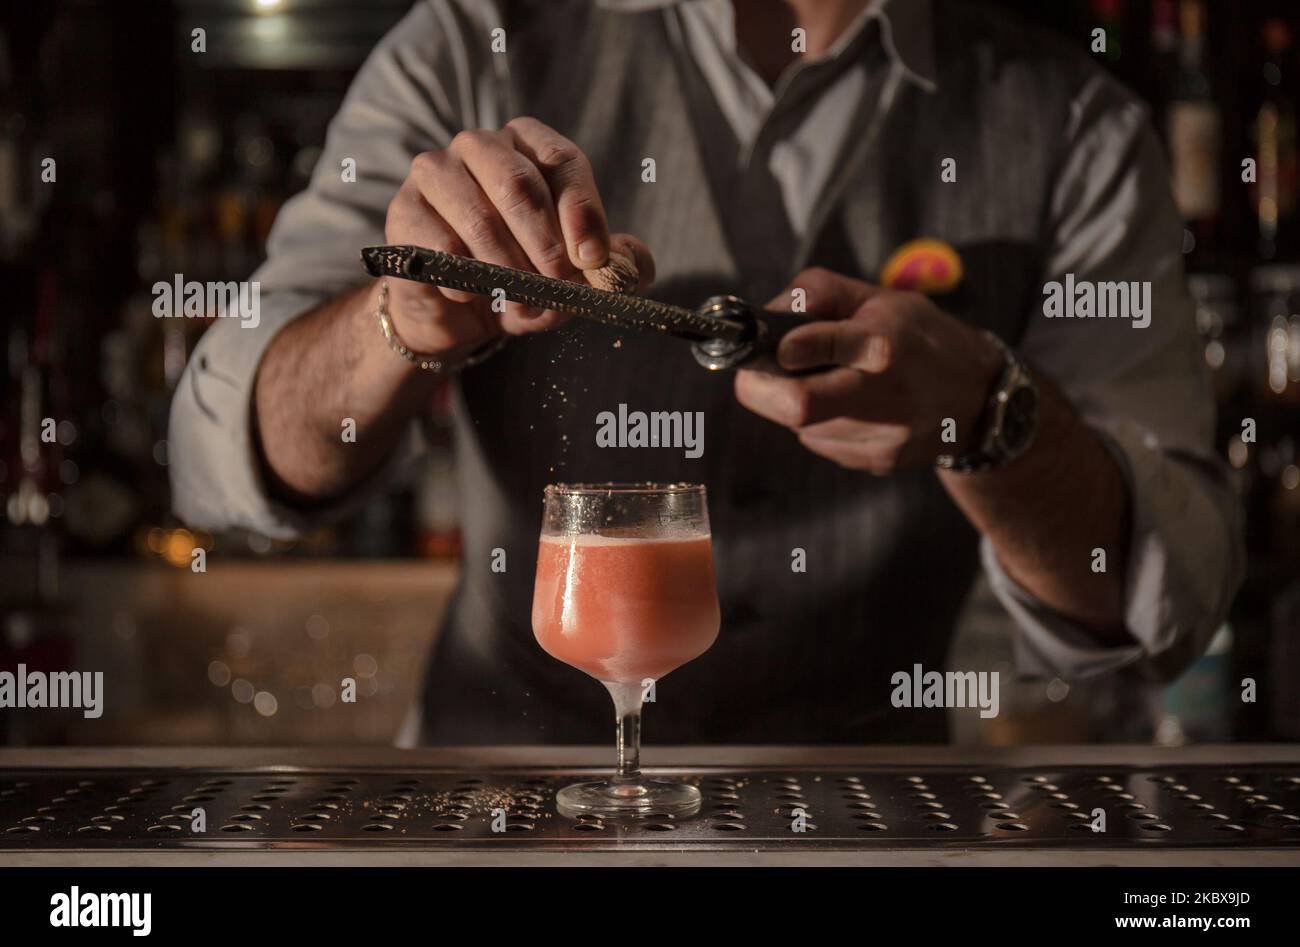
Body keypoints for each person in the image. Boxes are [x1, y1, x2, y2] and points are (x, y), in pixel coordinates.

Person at [168, 0, 1243, 745]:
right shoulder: (468, 43)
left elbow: (1169, 601)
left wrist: (988, 416)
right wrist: (394, 323)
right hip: (505, 811)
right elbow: (214, 457)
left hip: (864, 828)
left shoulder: (1071, 127)